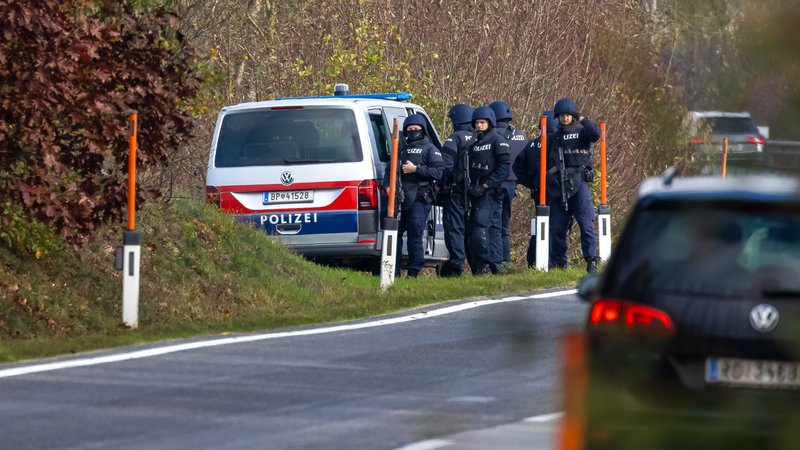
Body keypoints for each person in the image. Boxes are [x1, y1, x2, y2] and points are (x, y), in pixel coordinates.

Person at [383, 114, 444, 277]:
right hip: (400, 197)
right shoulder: (401, 149)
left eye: (416, 129)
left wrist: (416, 169)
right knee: (393, 237)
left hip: (419, 197)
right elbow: (389, 170)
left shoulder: (431, 149)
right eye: (410, 130)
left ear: (422, 130)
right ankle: (393, 272)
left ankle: (413, 273)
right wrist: (387, 186)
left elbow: (438, 173)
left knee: (415, 236)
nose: (413, 132)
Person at [548, 98, 600, 273]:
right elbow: (549, 160)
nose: (565, 119)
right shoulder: (555, 136)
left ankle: (592, 260)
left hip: (580, 182)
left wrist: (582, 118)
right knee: (557, 227)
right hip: (559, 184)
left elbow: (595, 134)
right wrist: (550, 177)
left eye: (568, 115)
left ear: (573, 116)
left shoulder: (581, 131)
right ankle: (558, 264)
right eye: (562, 116)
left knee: (586, 224)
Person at [466, 106, 511, 275]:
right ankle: (491, 265)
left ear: (490, 123)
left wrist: (485, 186)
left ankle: (487, 264)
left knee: (483, 226)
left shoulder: (498, 140)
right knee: (486, 227)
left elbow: (503, 169)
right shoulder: (474, 143)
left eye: (482, 122)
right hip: (475, 192)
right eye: (477, 123)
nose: (479, 125)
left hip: (491, 192)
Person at [513, 110, 557, 268]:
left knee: (541, 226)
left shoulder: (531, 145)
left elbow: (517, 167)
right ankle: (550, 262)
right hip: (555, 193)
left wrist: (531, 182)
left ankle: (534, 260)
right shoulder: (557, 144)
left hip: (539, 192)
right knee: (553, 227)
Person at [488, 101, 527, 268]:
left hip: (494, 183)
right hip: (512, 184)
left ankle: (497, 262)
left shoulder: (491, 135)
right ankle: (507, 260)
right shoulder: (521, 136)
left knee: (493, 224)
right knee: (504, 224)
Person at [439, 104, 475, 277]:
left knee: (455, 229)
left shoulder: (455, 139)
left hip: (455, 193)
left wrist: (439, 183)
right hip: (476, 194)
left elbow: (446, 164)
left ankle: (456, 266)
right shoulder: (480, 137)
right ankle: (478, 266)